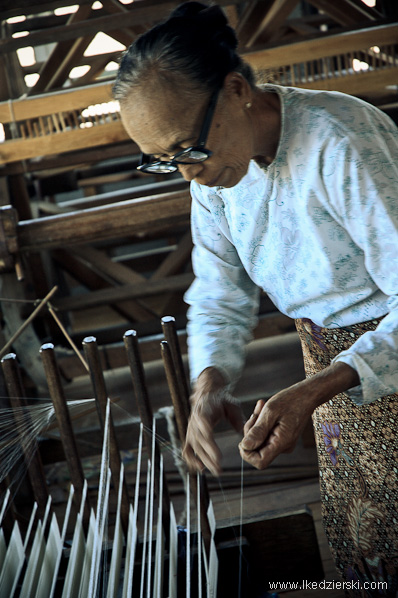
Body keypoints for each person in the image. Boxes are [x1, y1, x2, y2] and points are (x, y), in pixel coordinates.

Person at [113, 2, 398, 594]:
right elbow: (219, 284)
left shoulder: (340, 144)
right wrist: (211, 380)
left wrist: (318, 387)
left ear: (237, 89)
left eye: (187, 150)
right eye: (163, 161)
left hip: (376, 358)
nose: (186, 174)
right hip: (327, 368)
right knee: (365, 540)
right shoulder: (217, 174)